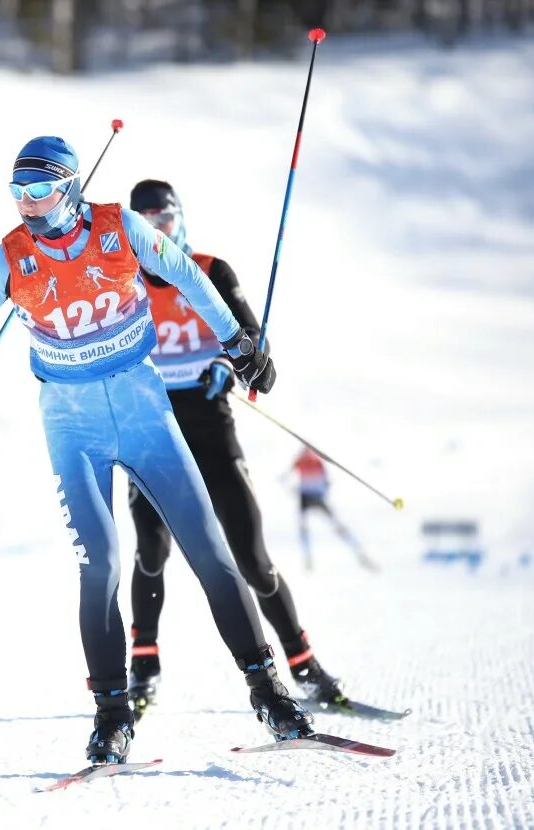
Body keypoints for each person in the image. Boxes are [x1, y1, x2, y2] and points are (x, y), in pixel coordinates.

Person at [0, 136, 312, 765]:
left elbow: (184, 272)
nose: (26, 204)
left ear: (69, 188)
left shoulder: (119, 227)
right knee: (98, 565)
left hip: (142, 410)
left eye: (39, 189)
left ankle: (269, 692)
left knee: (210, 551)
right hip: (72, 427)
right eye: (17, 192)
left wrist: (238, 342)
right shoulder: (10, 259)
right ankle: (111, 715)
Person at [123, 180, 350, 720]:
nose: (158, 229)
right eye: (146, 219)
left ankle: (305, 665)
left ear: (180, 219)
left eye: (167, 217)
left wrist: (231, 365)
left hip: (213, 428)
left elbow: (254, 342)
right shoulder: (120, 282)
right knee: (151, 552)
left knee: (252, 558)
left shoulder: (210, 271)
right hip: (153, 433)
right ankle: (143, 669)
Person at [291, 447, 379, 572]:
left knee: (311, 528)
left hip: (310, 497)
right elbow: (326, 481)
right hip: (311, 497)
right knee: (307, 528)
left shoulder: (308, 461)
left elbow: (324, 481)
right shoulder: (307, 461)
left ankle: (358, 552)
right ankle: (308, 557)